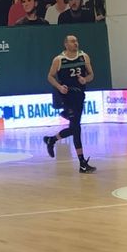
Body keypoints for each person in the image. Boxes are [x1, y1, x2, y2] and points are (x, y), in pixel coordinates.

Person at [43, 34, 96, 173]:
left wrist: (86, 79)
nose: (75, 43)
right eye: (72, 41)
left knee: (74, 128)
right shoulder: (59, 59)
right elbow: (50, 76)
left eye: (76, 41)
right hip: (66, 97)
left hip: (79, 95)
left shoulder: (84, 56)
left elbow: (91, 75)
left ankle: (52, 140)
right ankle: (82, 163)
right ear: (66, 44)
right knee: (76, 128)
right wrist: (59, 87)